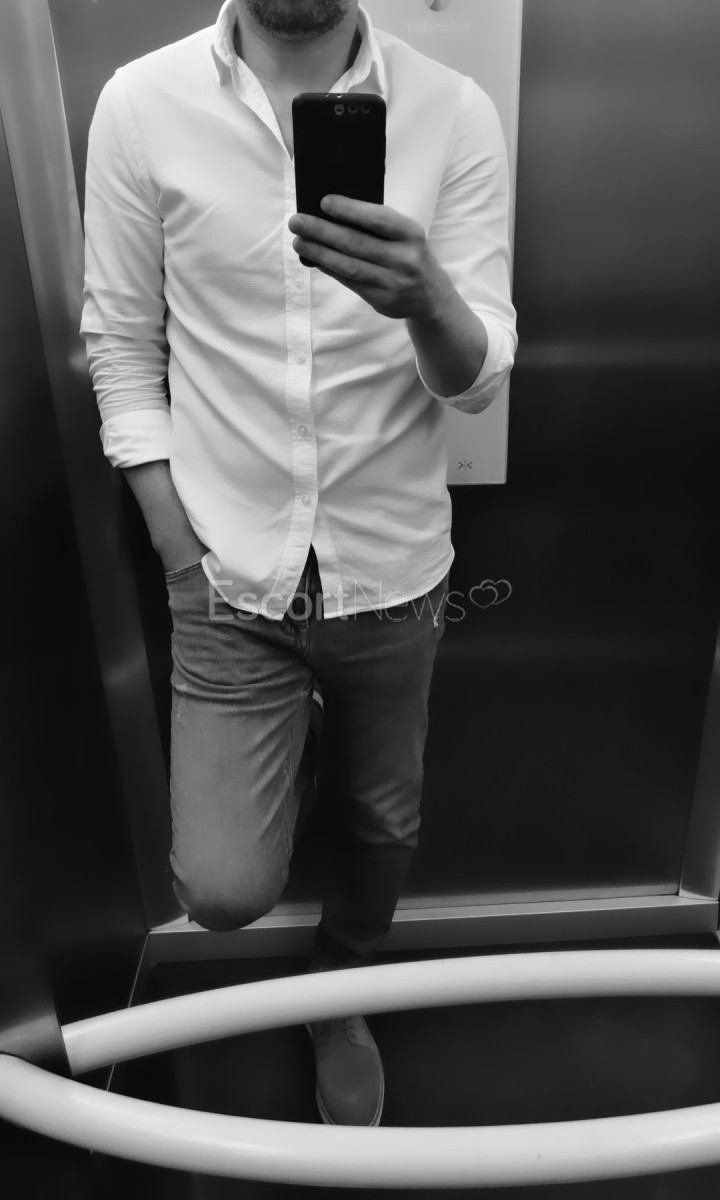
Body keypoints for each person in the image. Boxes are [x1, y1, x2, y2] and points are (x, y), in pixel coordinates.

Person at [80, 0, 517, 1127]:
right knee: (221, 890)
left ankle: (340, 990)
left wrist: (428, 300)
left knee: (383, 830)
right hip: (225, 577)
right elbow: (121, 345)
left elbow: (477, 381)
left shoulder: (452, 112)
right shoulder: (141, 103)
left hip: (393, 575)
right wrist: (180, 554)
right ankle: (286, 752)